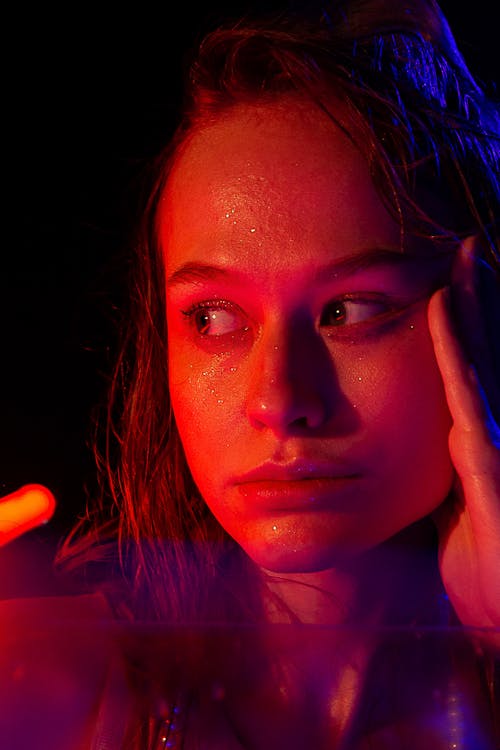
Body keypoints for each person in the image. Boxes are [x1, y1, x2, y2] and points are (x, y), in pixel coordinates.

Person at [1, 0, 499, 747]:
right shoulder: (49, 683)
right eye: (213, 319)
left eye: (350, 310)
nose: (278, 400)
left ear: (480, 311)